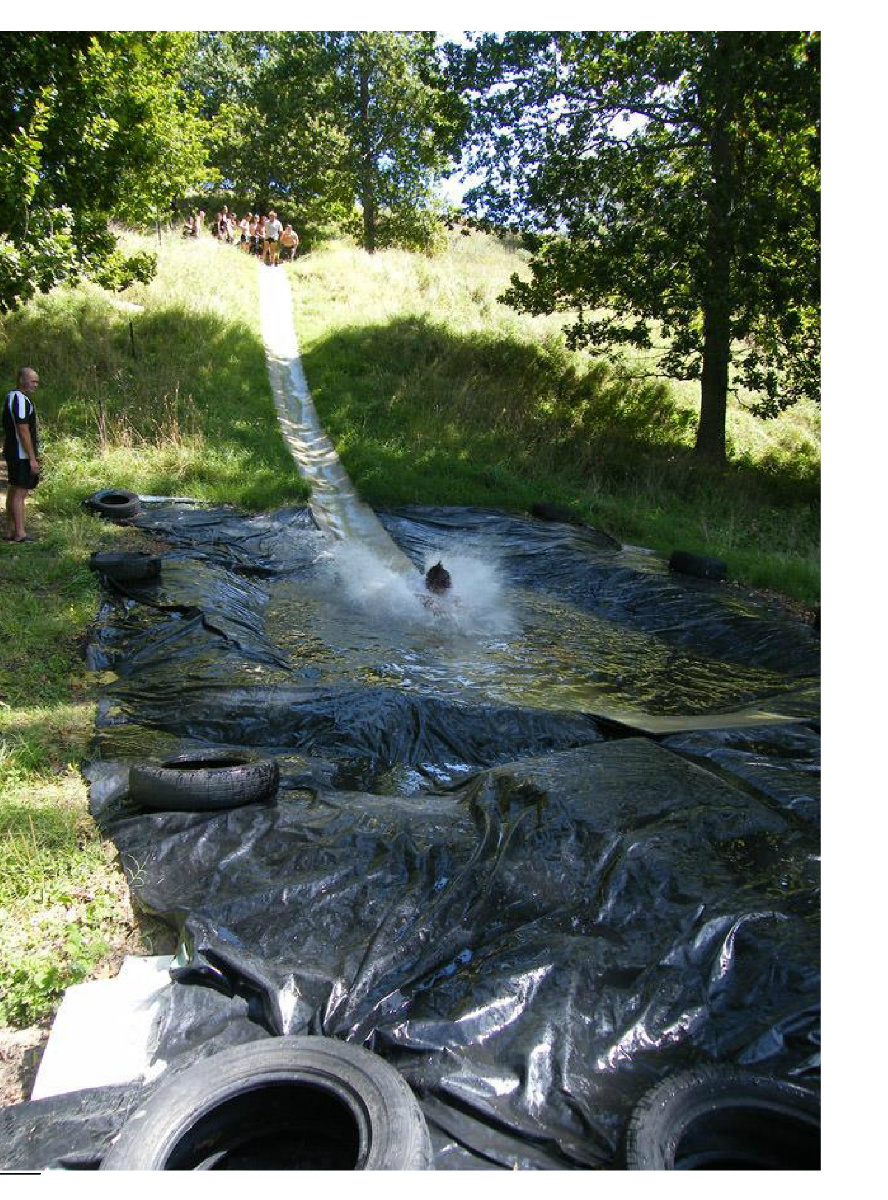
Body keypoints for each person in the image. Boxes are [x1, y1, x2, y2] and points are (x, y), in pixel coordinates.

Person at [3, 367, 41, 543]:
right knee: (20, 493)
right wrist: (32, 458)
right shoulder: (19, 399)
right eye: (32, 381)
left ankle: (9, 530)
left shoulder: (11, 396)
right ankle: (20, 533)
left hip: (13, 451)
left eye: (37, 382)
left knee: (13, 489)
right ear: (21, 380)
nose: (35, 385)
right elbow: (23, 429)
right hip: (20, 453)